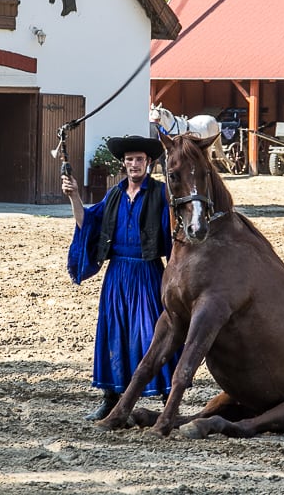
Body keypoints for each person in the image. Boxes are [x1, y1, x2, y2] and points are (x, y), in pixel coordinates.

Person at [61, 135, 179, 421]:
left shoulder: (161, 194)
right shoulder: (114, 194)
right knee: (113, 332)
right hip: (116, 276)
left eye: (139, 159)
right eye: (129, 160)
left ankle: (167, 399)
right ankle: (111, 399)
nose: (134, 164)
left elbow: (175, 232)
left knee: (152, 334)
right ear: (123, 164)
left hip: (148, 273)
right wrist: (74, 196)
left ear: (149, 163)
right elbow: (87, 223)